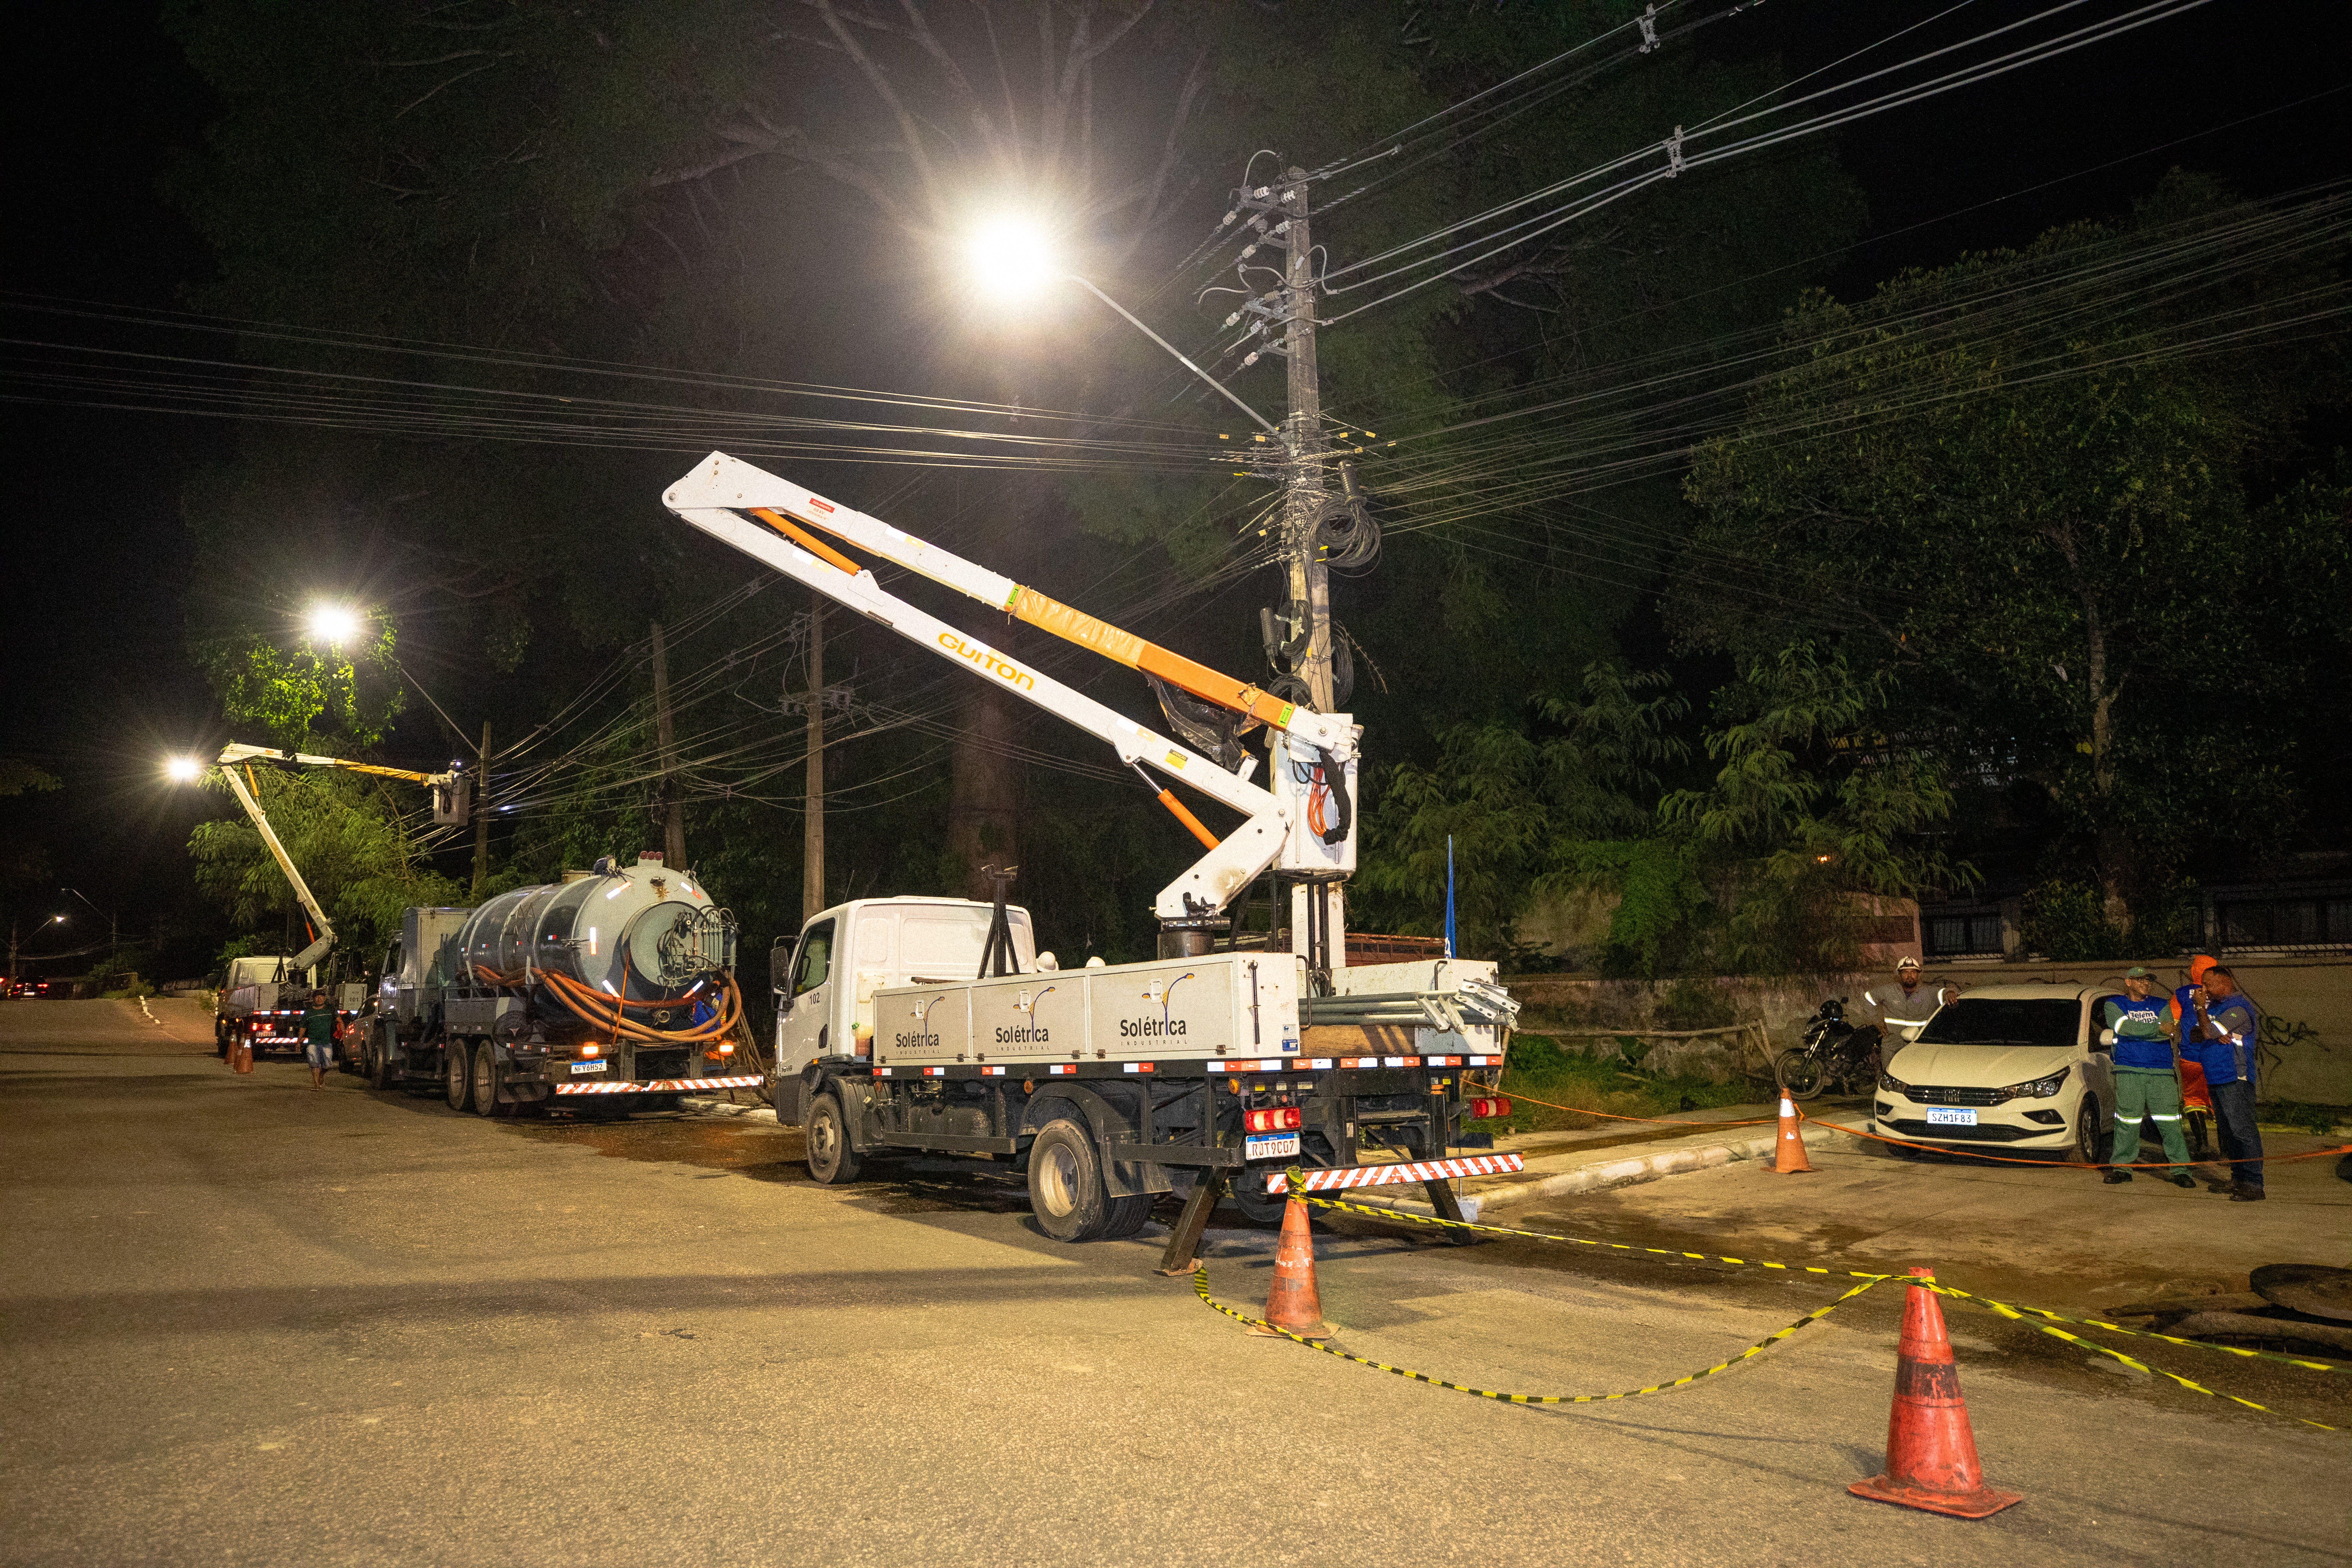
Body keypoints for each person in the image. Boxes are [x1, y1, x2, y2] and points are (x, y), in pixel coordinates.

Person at [2099, 966, 2193, 1187]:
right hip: (2128, 1070)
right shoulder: (2114, 1004)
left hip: (2161, 1071)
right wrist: (2156, 1030)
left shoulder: (2162, 1005)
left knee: (2170, 1122)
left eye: (2148, 980)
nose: (2146, 983)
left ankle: (2181, 1170)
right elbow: (2123, 1027)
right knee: (2127, 1122)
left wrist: (2146, 1031)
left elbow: (2169, 1031)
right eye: (2140, 980)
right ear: (2128, 982)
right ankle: (2122, 1168)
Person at [2182, 965, 2263, 1200]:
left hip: (2234, 1077)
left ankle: (2254, 1184)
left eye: (2208, 984)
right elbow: (2196, 1035)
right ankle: (2238, 1179)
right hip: (2216, 1075)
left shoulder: (2238, 1007)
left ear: (2224, 982)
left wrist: (2204, 1017)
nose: (2203, 989)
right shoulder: (2217, 1008)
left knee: (2243, 1130)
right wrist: (2213, 1030)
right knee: (2228, 1132)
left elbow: (2206, 1032)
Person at [1863, 957, 1951, 1045]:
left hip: (1917, 1045)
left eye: (1913, 972)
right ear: (1899, 975)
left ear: (1918, 975)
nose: (1910, 976)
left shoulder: (1929, 993)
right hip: (1892, 1044)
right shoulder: (1888, 991)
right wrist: (1877, 1022)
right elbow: (1867, 998)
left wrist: (1950, 993)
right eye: (1905, 973)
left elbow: (1946, 992)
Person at [300, 989, 336, 1091]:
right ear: (313, 999)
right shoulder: (309, 1013)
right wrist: (299, 1042)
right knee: (314, 1064)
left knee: (328, 1065)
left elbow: (339, 1021)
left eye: (322, 997)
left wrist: (343, 1032)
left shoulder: (330, 1010)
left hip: (326, 1042)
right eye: (317, 997)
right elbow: (303, 1027)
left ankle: (321, 1075)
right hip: (313, 1042)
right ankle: (316, 1084)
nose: (320, 999)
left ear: (325, 998)